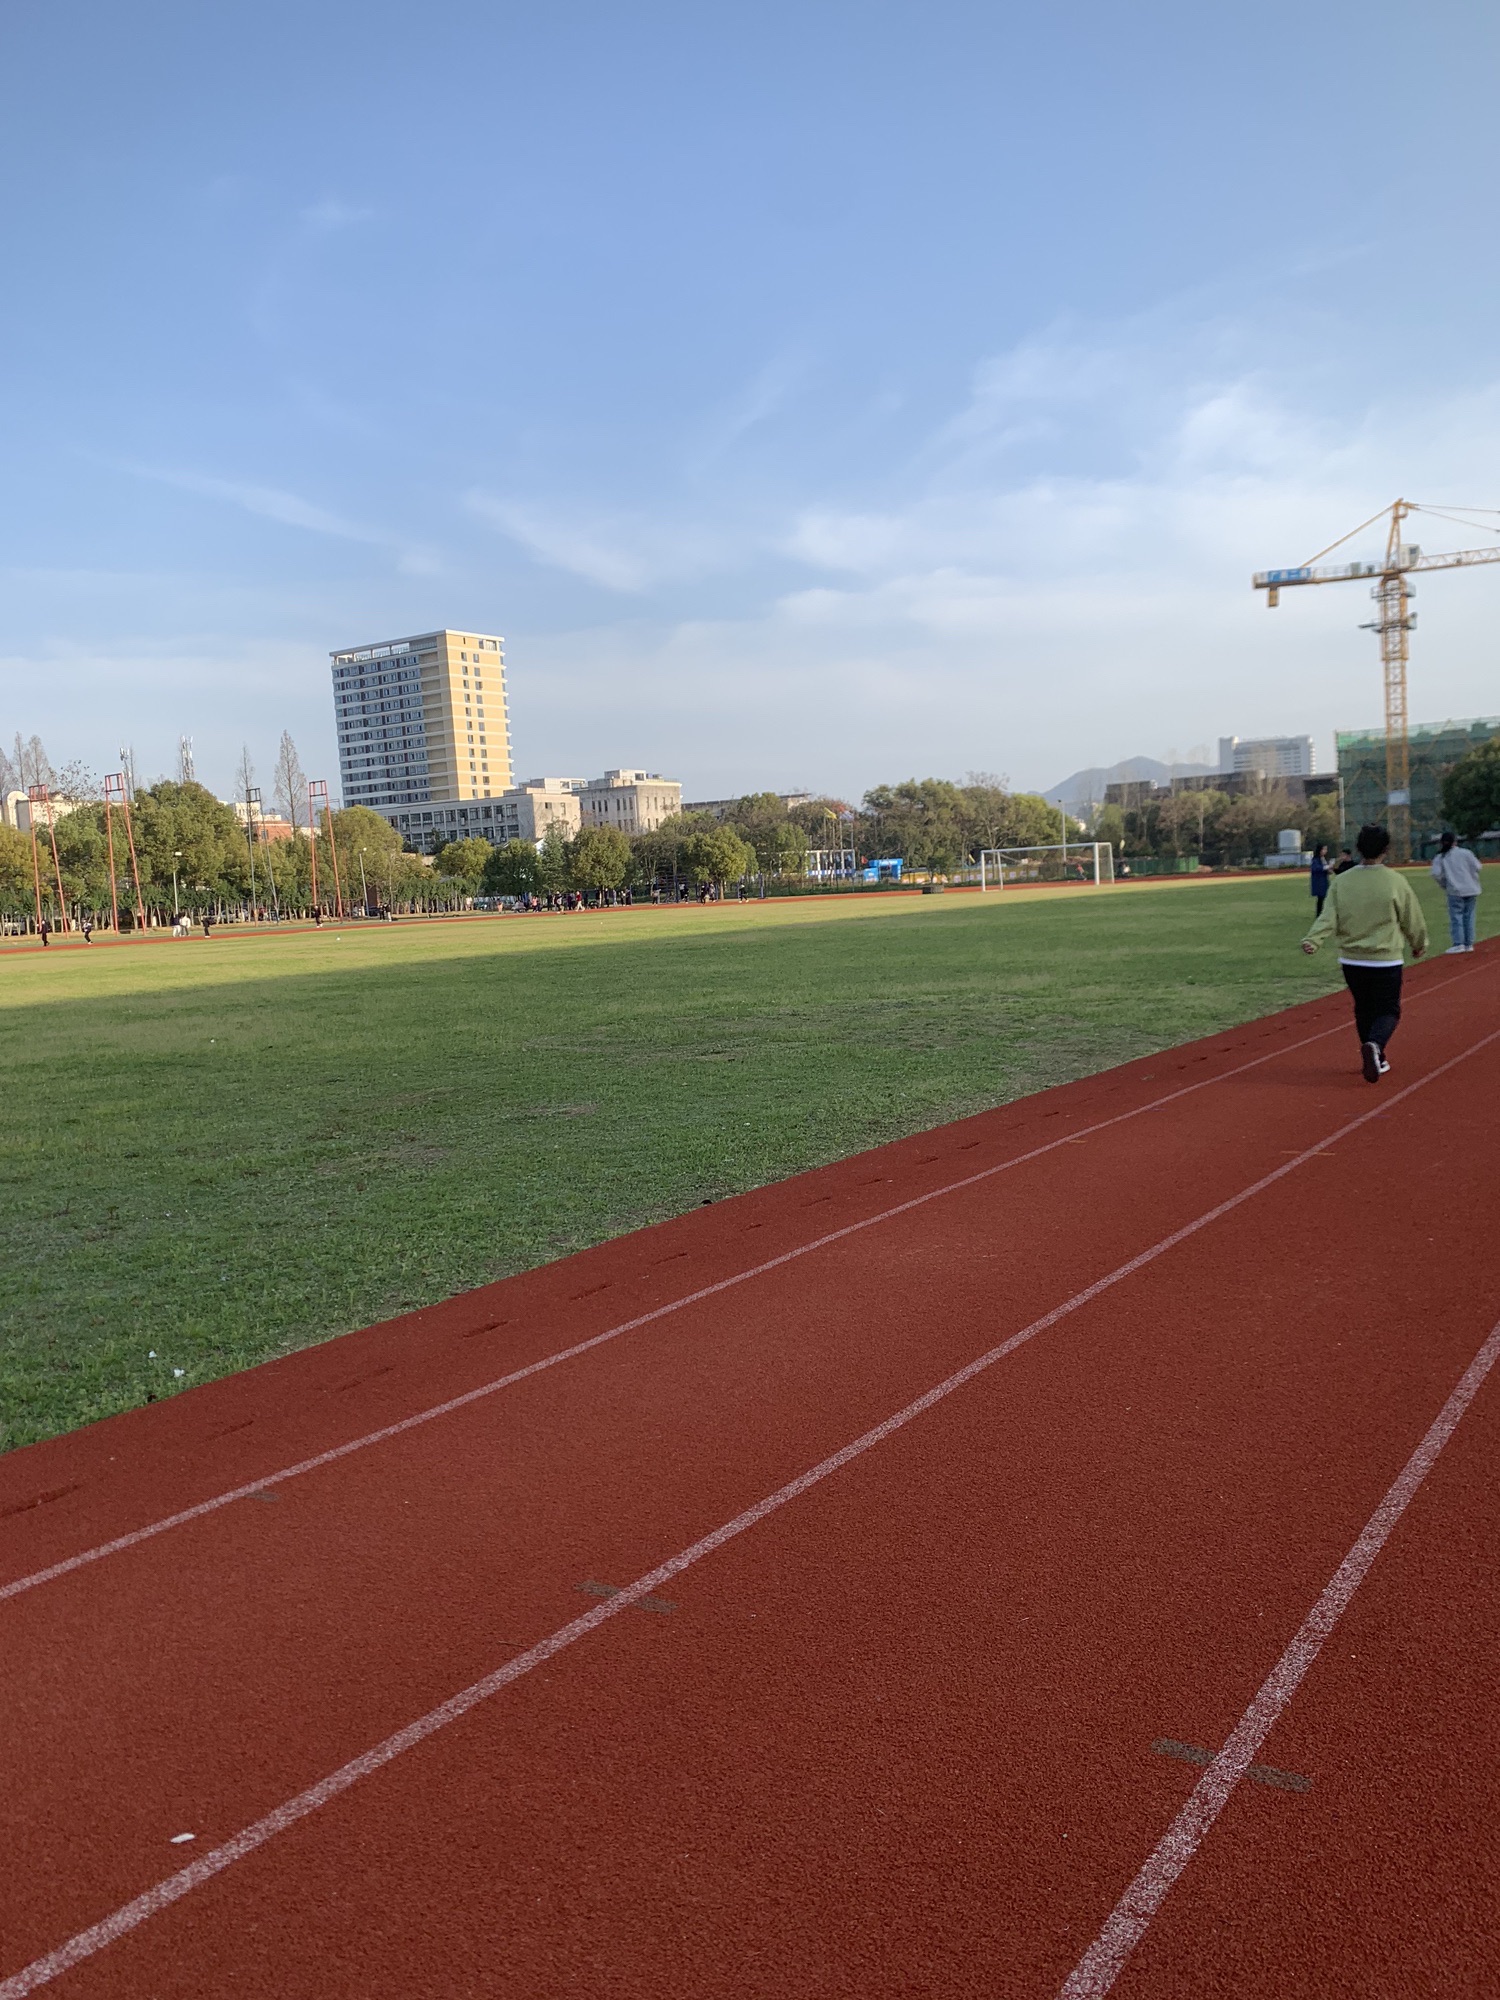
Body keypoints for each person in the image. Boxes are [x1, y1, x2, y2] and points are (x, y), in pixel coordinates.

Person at [1302, 822, 1427, 1082]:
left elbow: (1328, 916)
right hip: (1385, 959)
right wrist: (1419, 943)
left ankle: (1376, 1055)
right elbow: (1411, 918)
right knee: (1388, 1010)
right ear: (1386, 849)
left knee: (1363, 1008)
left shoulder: (1342, 881)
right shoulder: (1395, 881)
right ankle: (1375, 1045)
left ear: (1358, 848)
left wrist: (1313, 940)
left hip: (1352, 959)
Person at [1431, 831, 1482, 954]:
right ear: (1455, 841)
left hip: (1454, 890)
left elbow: (1436, 874)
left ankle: (1459, 943)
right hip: (1471, 888)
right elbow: (1478, 867)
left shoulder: (1440, 857)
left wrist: (1444, 884)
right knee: (1469, 916)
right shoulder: (1466, 853)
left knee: (1456, 917)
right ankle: (1469, 943)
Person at [1309, 843, 1330, 917]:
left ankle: (1322, 913)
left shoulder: (1323, 859)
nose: (1325, 851)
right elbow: (1316, 868)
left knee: (1324, 898)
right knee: (1320, 898)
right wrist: (1327, 867)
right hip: (1319, 882)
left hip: (1324, 881)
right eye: (1324, 849)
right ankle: (1319, 914)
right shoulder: (1315, 859)